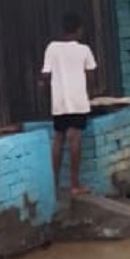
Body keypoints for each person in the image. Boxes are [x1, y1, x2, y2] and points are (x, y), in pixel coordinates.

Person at [41, 11, 97, 196]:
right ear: (79, 30)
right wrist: (87, 93)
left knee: (58, 138)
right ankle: (74, 184)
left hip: (59, 102)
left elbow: (46, 75)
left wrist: (53, 87)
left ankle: (54, 185)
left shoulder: (52, 48)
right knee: (75, 139)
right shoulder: (84, 50)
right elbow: (90, 76)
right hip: (78, 101)